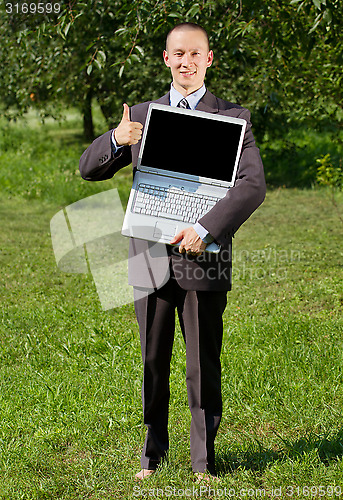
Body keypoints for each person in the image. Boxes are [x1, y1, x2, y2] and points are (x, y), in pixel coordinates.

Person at [79, 22, 266, 481]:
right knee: (152, 358)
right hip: (149, 251)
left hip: (204, 253)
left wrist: (207, 228)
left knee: (203, 361)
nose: (186, 62)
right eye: (178, 54)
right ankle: (152, 455)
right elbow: (88, 169)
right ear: (166, 59)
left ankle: (203, 460)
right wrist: (116, 142)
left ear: (209, 59)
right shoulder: (142, 116)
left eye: (195, 54)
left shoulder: (233, 119)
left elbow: (252, 186)